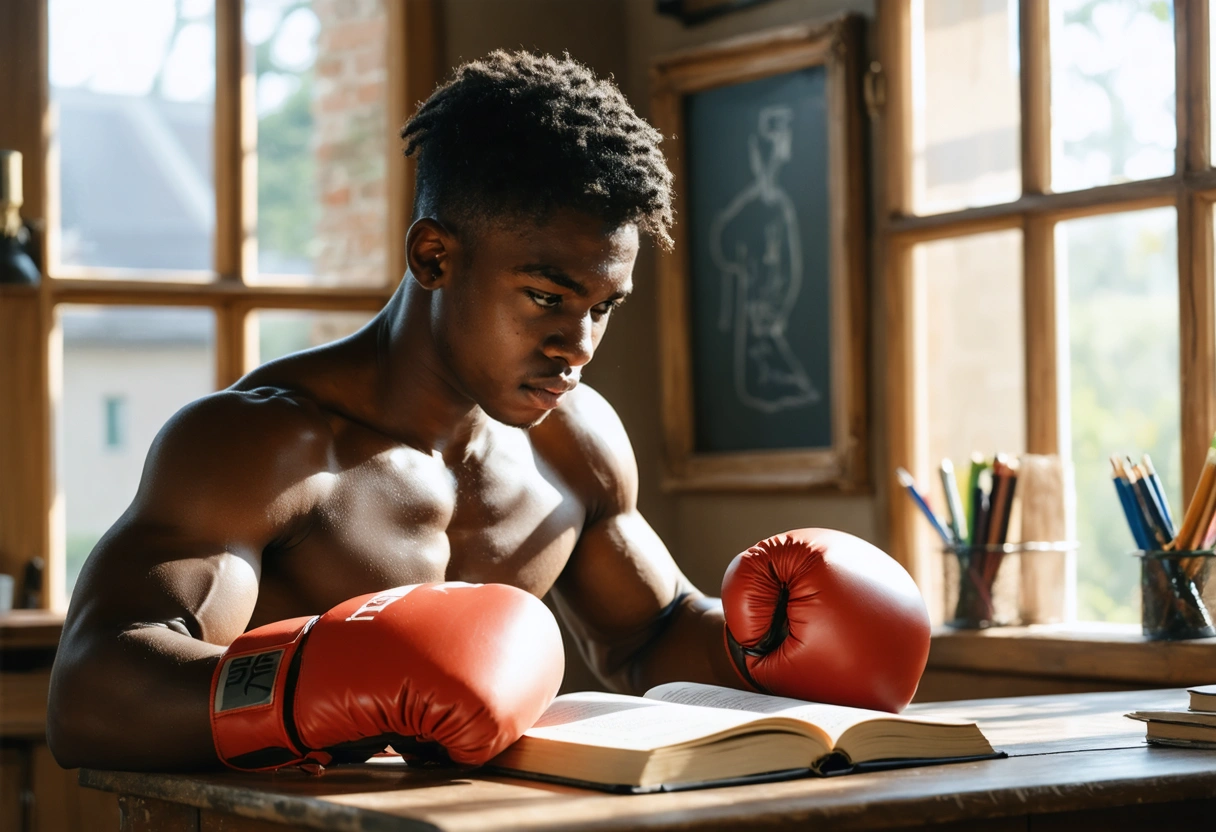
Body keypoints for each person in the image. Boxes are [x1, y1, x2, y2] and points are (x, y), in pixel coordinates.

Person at [47, 51, 929, 773]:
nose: (579, 343)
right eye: (547, 296)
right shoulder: (264, 444)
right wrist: (319, 680)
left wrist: (770, 643)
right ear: (434, 256)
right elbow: (93, 688)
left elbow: (651, 634)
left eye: (603, 306)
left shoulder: (573, 444)